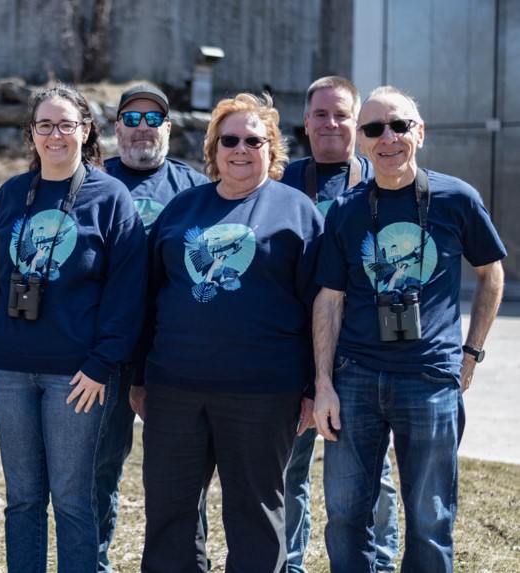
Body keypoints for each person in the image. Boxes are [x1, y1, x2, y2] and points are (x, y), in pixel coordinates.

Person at [313, 86, 506, 573]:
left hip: (430, 380)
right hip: (355, 378)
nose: (388, 137)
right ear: (361, 140)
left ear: (419, 133)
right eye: (374, 128)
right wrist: (323, 383)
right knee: (344, 515)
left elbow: (491, 272)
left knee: (429, 517)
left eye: (399, 125)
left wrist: (471, 354)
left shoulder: (456, 198)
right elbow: (329, 300)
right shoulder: (346, 209)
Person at [135, 92, 323, 572]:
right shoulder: (181, 209)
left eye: (253, 140)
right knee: (169, 513)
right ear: (214, 149)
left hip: (264, 393)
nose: (241, 149)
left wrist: (312, 388)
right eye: (230, 140)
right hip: (175, 388)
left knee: (255, 515)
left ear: (272, 148)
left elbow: (320, 307)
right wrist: (139, 374)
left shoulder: (297, 212)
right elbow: (148, 297)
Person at [0, 83, 148, 572]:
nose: (55, 135)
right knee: (22, 499)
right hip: (8, 371)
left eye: (66, 124)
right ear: (31, 134)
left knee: (72, 499)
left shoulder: (110, 198)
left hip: (77, 378)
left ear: (85, 130)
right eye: (44, 125)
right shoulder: (10, 194)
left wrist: (101, 364)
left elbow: (126, 293)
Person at [278, 76, 399, 573]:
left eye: (342, 114)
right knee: (289, 469)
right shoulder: (280, 179)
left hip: (365, 353)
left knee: (376, 472)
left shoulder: (384, 178)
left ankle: (383, 561)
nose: (331, 123)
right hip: (294, 353)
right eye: (321, 114)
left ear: (358, 123)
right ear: (305, 122)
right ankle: (288, 563)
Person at [98, 83, 209, 573]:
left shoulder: (193, 188)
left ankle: (185, 562)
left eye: (153, 119)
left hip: (172, 358)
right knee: (97, 472)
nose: (142, 128)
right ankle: (92, 561)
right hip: (105, 357)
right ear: (116, 126)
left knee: (182, 477)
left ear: (168, 127)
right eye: (132, 118)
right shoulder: (91, 180)